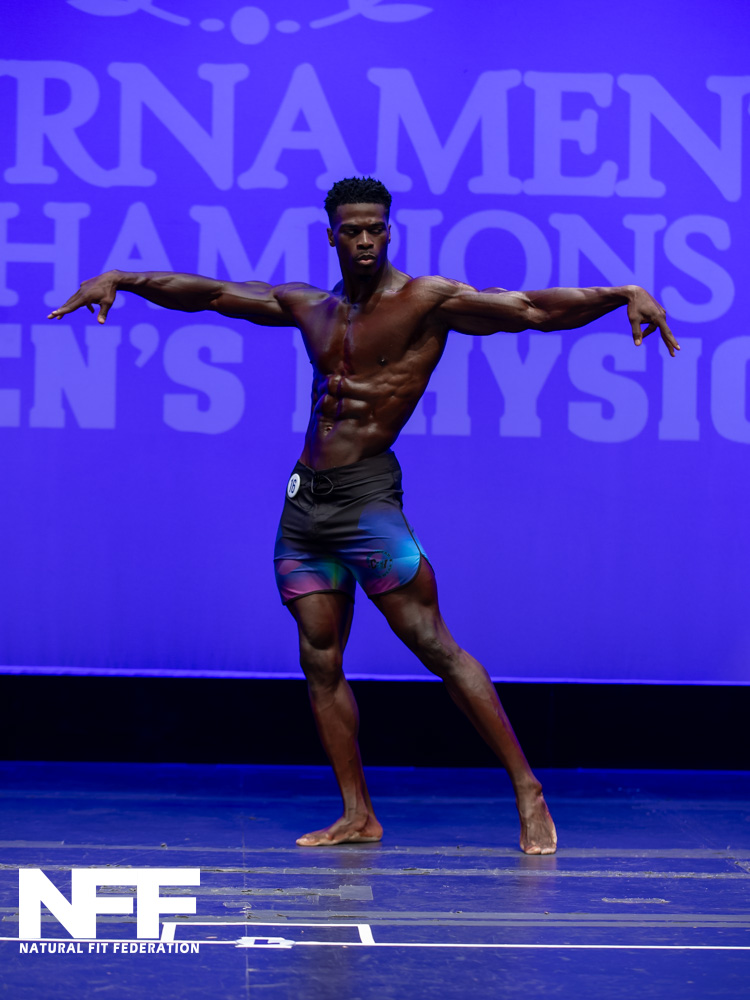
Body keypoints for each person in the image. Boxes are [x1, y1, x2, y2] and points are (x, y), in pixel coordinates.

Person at [48, 176, 680, 854]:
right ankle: (358, 815)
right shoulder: (309, 306)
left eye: (376, 228)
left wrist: (620, 294)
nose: (366, 240)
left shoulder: (427, 301)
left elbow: (527, 308)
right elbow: (211, 294)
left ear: (389, 231)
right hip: (304, 506)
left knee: (434, 644)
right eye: (352, 230)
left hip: (367, 502)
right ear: (332, 237)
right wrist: (123, 279)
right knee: (319, 658)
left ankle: (528, 789)